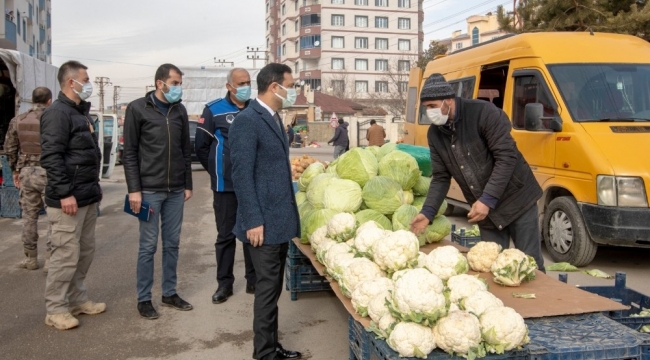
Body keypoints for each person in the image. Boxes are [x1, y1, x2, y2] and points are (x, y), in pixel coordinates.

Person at [409, 73, 545, 271]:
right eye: (426, 108)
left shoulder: (483, 113)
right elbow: (440, 177)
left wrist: (487, 199)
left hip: (517, 200)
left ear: (449, 100)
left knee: (529, 264)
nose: (429, 112)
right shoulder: (436, 134)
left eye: (432, 106)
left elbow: (506, 157)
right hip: (484, 210)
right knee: (492, 267)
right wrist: (428, 213)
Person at [229, 63, 303, 360]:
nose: (293, 90)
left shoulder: (273, 117)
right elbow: (242, 175)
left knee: (272, 292)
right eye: (291, 84)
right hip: (263, 223)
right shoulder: (248, 120)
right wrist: (253, 220)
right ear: (275, 87)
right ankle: (264, 354)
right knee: (266, 292)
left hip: (278, 220)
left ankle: (271, 345)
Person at [123, 63, 194, 320]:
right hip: (148, 191)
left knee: (173, 244)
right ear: (160, 83)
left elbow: (185, 150)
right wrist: (134, 190)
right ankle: (144, 298)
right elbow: (129, 152)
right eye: (174, 83)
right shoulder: (137, 109)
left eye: (179, 83)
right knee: (148, 246)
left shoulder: (180, 110)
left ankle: (169, 293)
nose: (178, 88)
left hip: (175, 191)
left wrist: (187, 184)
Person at [40, 61, 105, 330]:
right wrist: (65, 193)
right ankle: (55, 309)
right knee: (65, 255)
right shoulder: (57, 113)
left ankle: (77, 300)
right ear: (71, 82)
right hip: (68, 200)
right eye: (85, 79)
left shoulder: (80, 113)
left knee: (84, 253)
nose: (88, 84)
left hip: (87, 197)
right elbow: (52, 157)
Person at [195, 68, 256, 304]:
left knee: (252, 234)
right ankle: (224, 284)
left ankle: (253, 280)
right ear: (229, 86)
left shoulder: (255, 109)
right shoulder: (213, 110)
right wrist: (217, 170)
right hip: (225, 186)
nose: (246, 86)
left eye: (249, 82)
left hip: (250, 185)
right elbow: (201, 147)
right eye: (241, 83)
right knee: (226, 235)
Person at [4, 86, 53, 272]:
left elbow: (10, 149)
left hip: (26, 172)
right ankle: (50, 260)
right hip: (49, 173)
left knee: (29, 217)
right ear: (49, 100)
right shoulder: (54, 120)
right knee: (53, 218)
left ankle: (31, 259)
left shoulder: (18, 120)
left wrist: (15, 171)